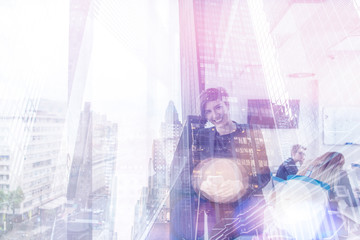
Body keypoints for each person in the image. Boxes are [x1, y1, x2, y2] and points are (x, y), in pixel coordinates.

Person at [191, 87, 271, 239]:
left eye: (218, 107)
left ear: (227, 105)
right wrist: (201, 184)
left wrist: (243, 184)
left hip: (248, 208)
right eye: (208, 111)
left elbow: (265, 174)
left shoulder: (251, 132)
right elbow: (190, 174)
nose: (215, 115)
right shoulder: (202, 136)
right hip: (216, 210)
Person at [265, 152, 357, 239]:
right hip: (316, 220)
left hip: (291, 215)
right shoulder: (339, 173)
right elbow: (352, 202)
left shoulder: (308, 165)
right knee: (345, 228)